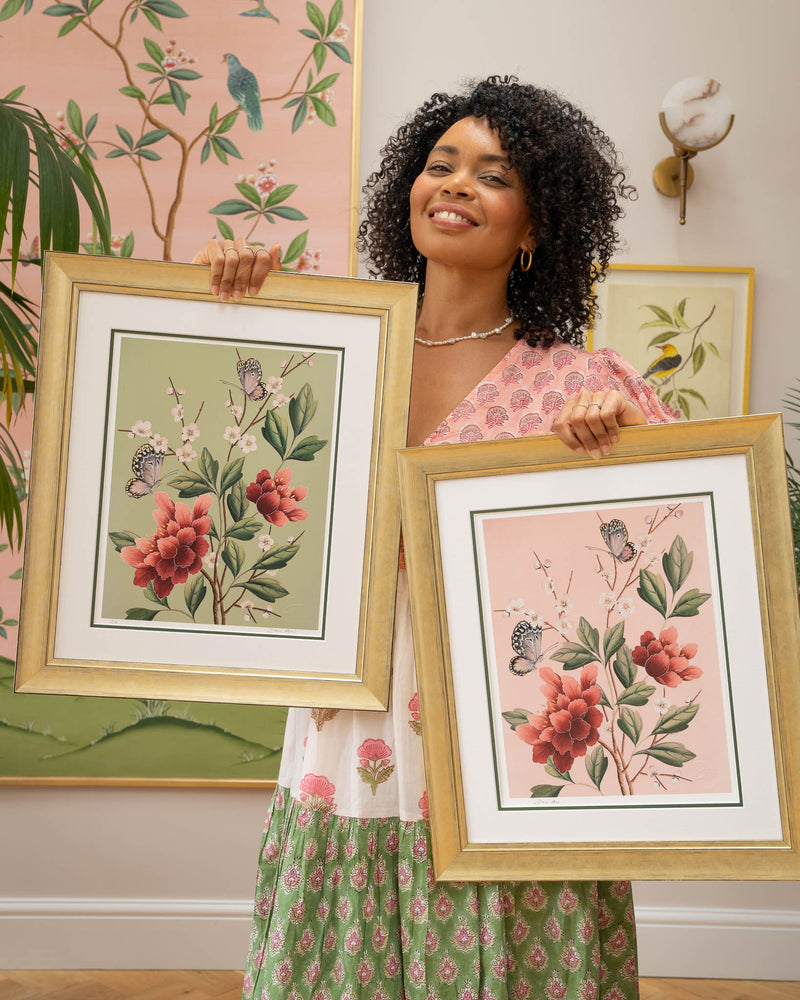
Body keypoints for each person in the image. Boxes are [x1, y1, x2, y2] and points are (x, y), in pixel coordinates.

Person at [195, 76, 674, 1000]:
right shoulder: (323, 343)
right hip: (359, 697)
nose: (454, 183)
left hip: (506, 722)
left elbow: (665, 533)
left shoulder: (577, 381)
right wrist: (232, 301)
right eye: (439, 163)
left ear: (536, 227)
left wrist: (623, 433)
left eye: (492, 175)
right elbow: (231, 457)